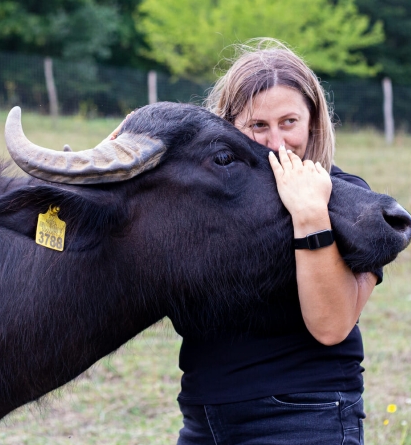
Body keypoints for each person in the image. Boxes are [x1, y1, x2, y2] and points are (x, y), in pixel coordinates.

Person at [109, 38, 379, 444]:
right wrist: (125, 159)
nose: (276, 142)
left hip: (304, 415)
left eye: (289, 122)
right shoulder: (201, 200)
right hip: (204, 419)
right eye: (257, 126)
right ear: (227, 128)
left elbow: (332, 326)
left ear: (313, 123)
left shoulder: (345, 199)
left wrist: (309, 215)